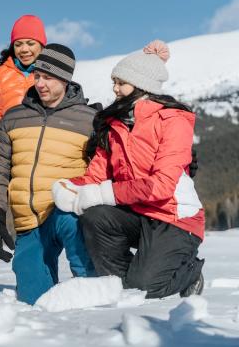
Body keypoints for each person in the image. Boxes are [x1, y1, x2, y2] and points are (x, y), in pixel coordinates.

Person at [53, 40, 205, 298]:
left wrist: (103, 193)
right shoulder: (115, 125)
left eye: (120, 83)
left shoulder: (173, 121)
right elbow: (97, 175)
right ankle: (121, 288)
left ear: (142, 85)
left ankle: (189, 272)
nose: (115, 89)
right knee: (95, 217)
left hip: (176, 218)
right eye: (114, 82)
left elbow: (162, 185)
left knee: (147, 287)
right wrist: (70, 187)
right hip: (138, 214)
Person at [0, 44, 96, 305]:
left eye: (48, 77)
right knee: (35, 300)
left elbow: (103, 166)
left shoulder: (89, 119)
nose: (40, 83)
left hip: (66, 213)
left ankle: (93, 295)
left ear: (66, 79)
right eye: (37, 75)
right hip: (27, 220)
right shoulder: (14, 117)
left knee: (90, 286)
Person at [0, 14, 47, 291]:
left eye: (30, 43)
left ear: (41, 44)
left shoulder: (49, 75)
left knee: (33, 217)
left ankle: (37, 280)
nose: (25, 49)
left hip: (31, 156)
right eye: (19, 44)